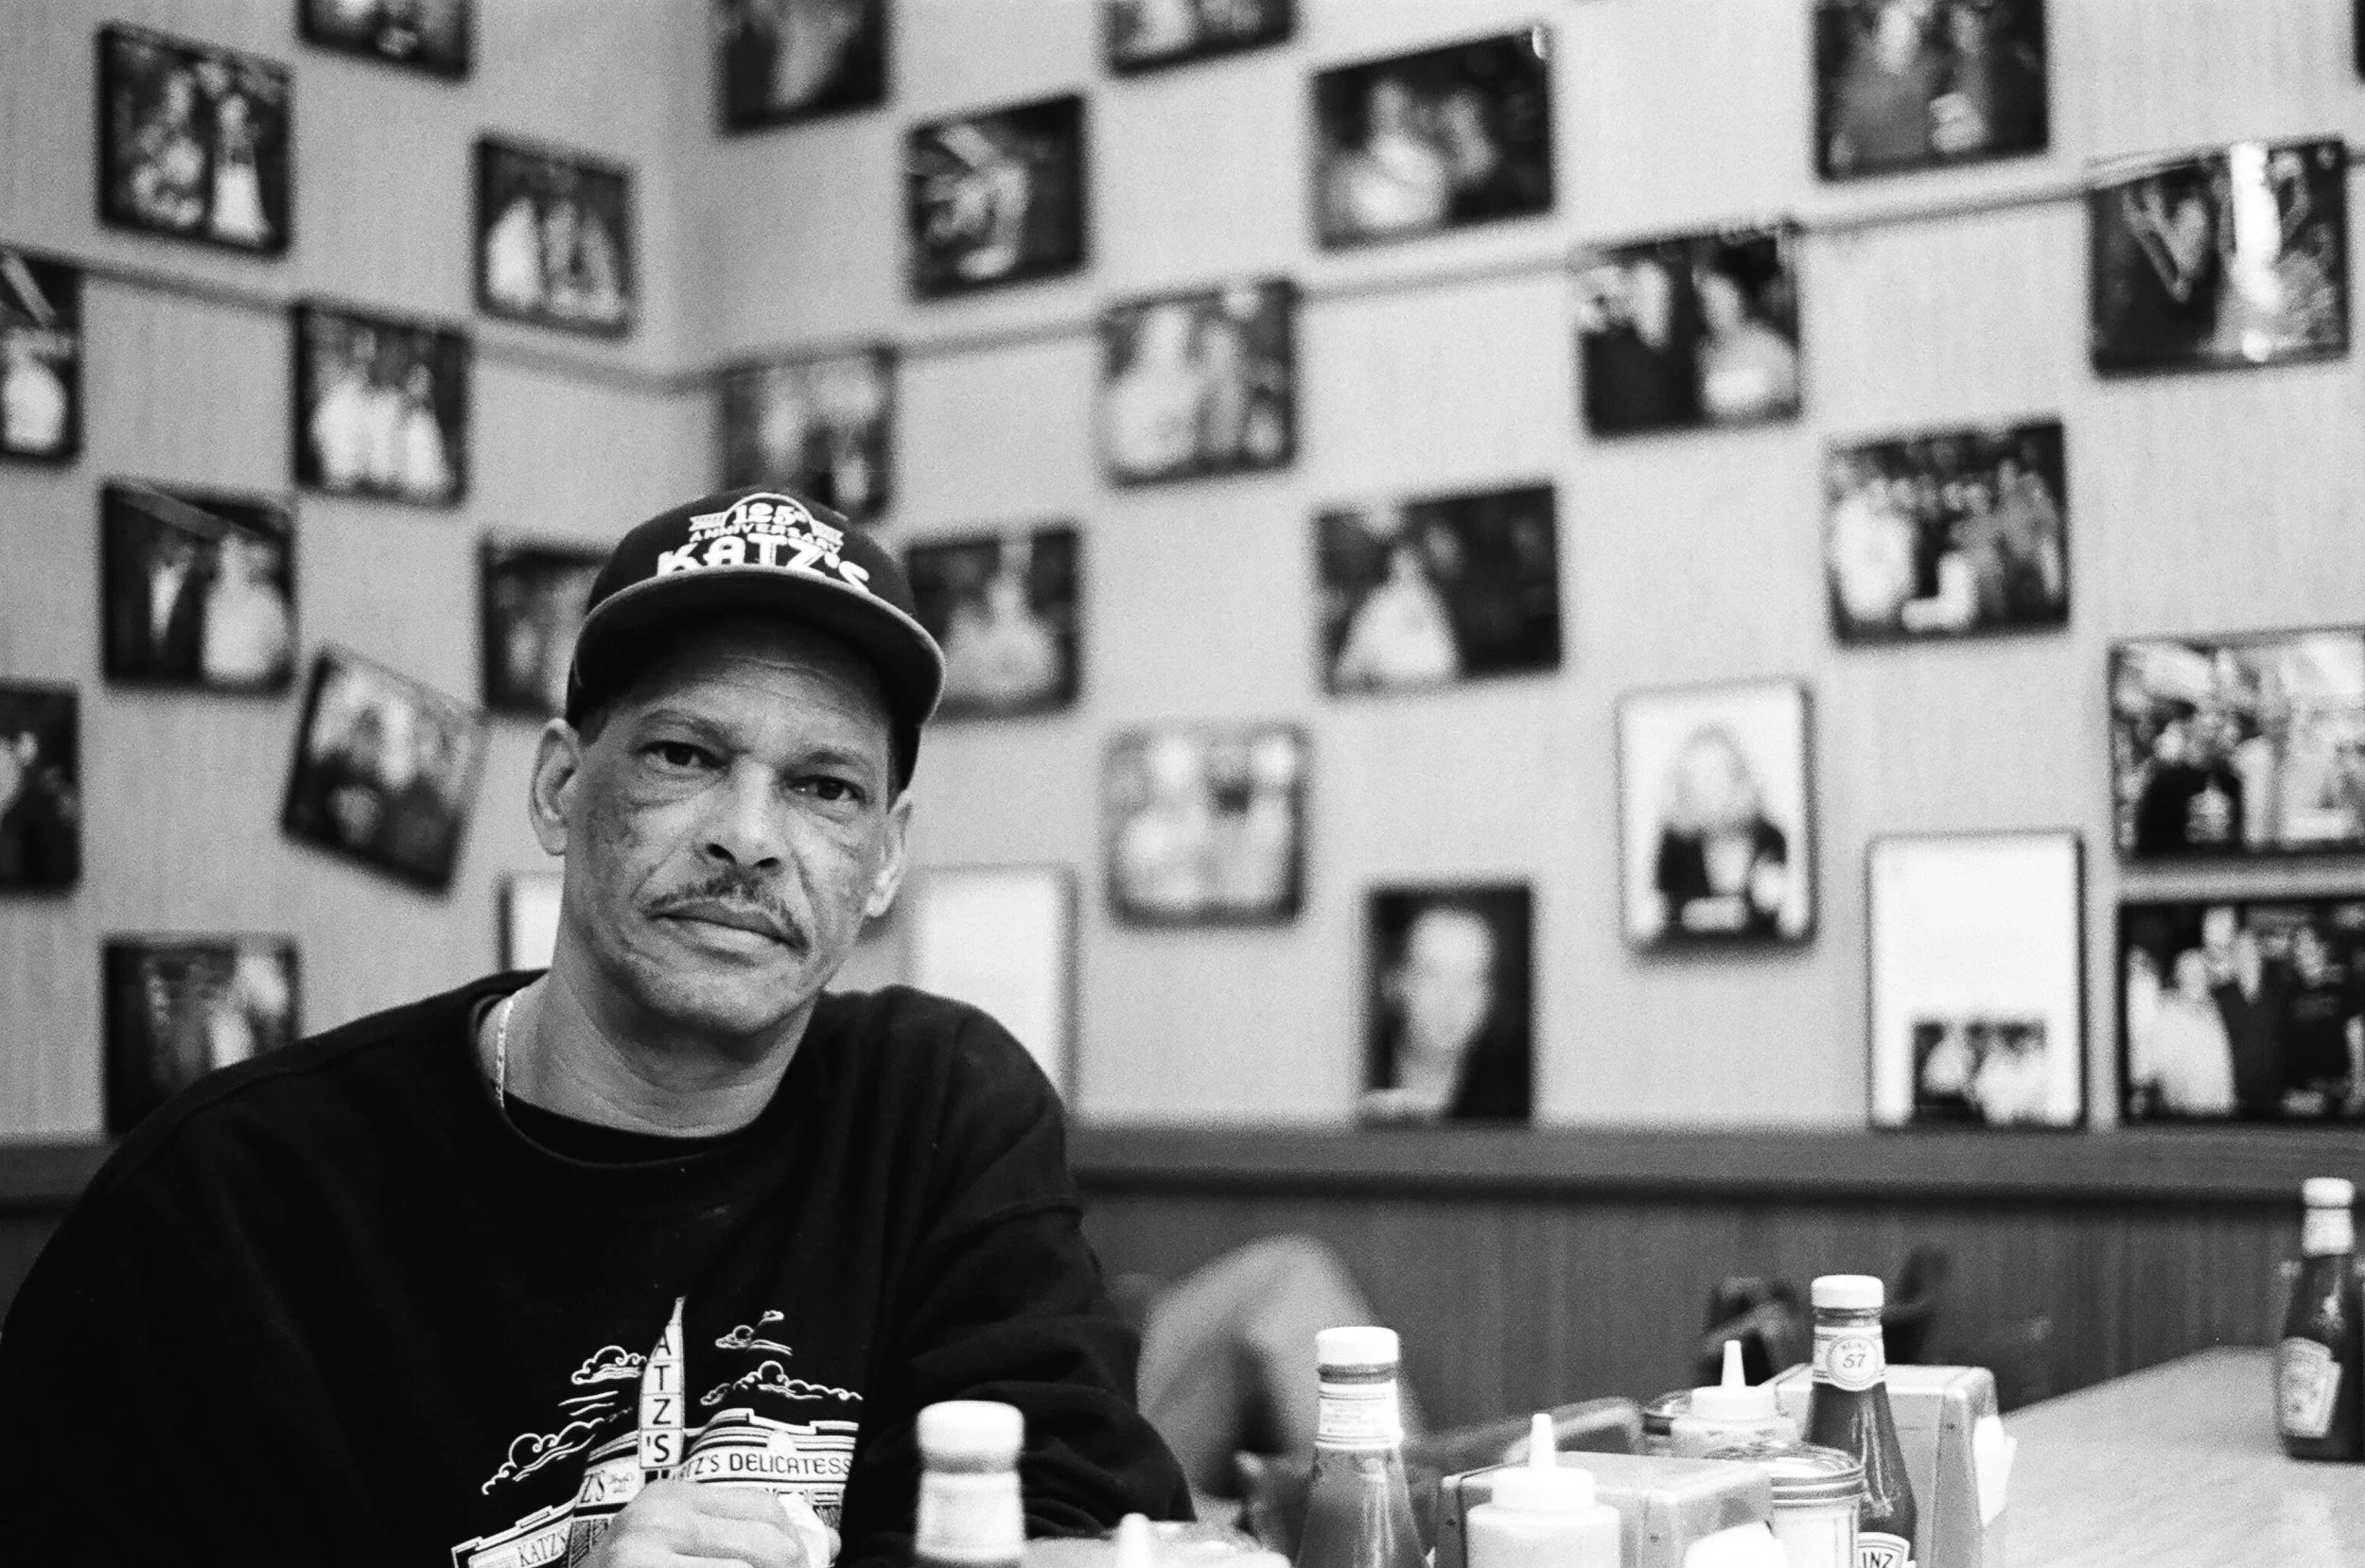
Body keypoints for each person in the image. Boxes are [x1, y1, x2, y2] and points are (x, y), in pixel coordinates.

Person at [0, 485, 1192, 1561]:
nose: (749, 834)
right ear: (561, 787)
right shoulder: (230, 1208)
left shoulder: (940, 1110)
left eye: (825, 786)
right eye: (684, 754)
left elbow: (1058, 1522)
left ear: (885, 857)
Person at [1359, 902, 1529, 1124]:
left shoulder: (1515, 1099)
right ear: (1398, 984)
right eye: (1433, 975)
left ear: (1489, 998)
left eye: (1471, 980)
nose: (1450, 1000)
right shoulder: (1354, 1072)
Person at [1650, 725, 1793, 940]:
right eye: (1697, 777)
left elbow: (1771, 909)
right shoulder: (1676, 844)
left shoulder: (1769, 837)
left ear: (1738, 777)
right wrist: (1732, 913)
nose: (1709, 786)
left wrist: (1702, 914)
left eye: (1716, 773)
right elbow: (1668, 915)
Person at [1331, 535, 1460, 691]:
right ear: (1391, 565)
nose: (1409, 567)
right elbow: (1357, 648)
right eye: (1402, 561)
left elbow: (1444, 645)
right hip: (1394, 688)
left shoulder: (1429, 596)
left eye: (1412, 561)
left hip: (1436, 686)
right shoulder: (1379, 601)